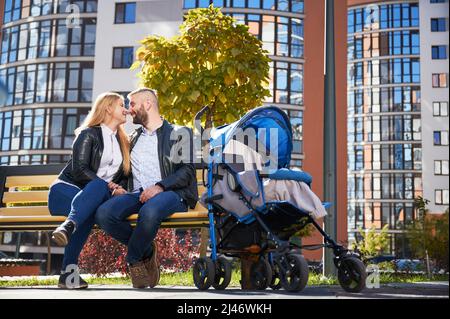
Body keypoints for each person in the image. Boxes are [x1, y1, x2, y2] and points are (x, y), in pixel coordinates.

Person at [95, 88, 198, 289]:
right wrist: (115, 186)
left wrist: (160, 186)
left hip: (172, 194)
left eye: (132, 104)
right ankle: (147, 250)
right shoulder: (133, 138)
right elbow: (123, 171)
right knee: (104, 214)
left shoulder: (179, 133)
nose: (129, 110)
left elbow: (187, 171)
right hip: (137, 193)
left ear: (148, 104)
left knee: (149, 211)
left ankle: (134, 260)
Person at [48, 92, 130, 289]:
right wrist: (109, 186)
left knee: (89, 210)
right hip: (64, 191)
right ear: (108, 108)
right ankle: (68, 272)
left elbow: (123, 177)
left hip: (90, 200)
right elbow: (80, 170)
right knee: (96, 193)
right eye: (121, 105)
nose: (126, 109)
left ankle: (69, 230)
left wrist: (118, 188)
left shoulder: (123, 143)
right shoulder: (89, 134)